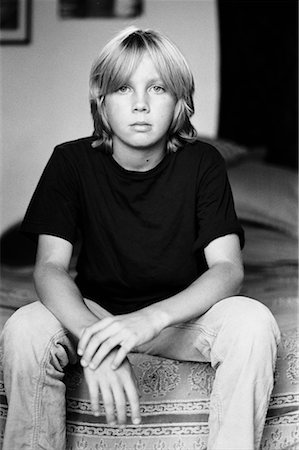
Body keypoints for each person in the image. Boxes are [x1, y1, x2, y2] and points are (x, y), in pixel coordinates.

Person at [1, 27, 280, 450]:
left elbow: (227, 268)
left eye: (158, 88)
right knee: (24, 327)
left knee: (254, 321)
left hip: (180, 318)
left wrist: (148, 320)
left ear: (179, 102)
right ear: (101, 100)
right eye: (123, 88)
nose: (140, 104)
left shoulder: (203, 162)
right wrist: (97, 342)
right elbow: (50, 267)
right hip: (95, 313)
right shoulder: (69, 161)